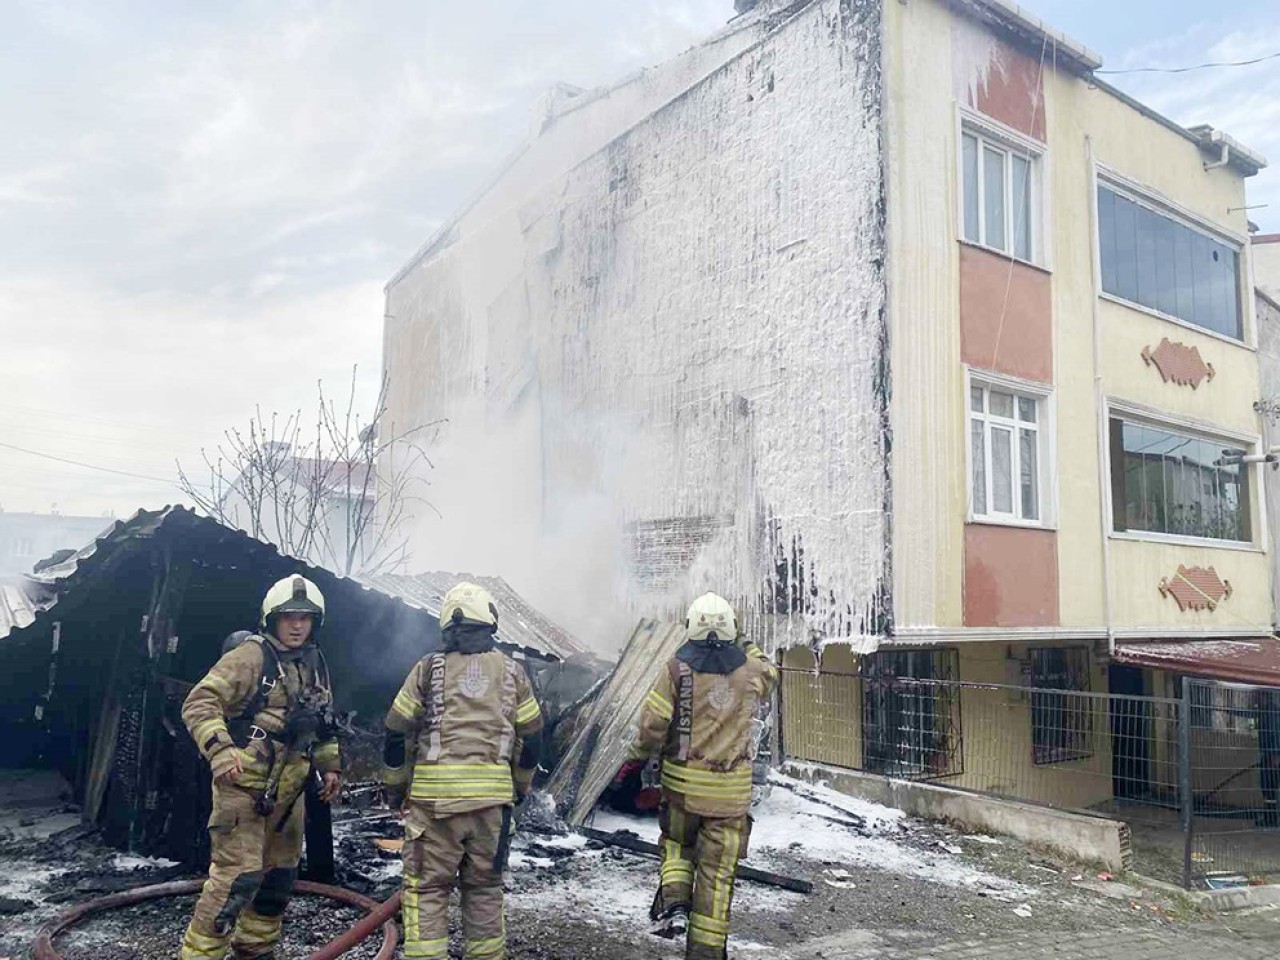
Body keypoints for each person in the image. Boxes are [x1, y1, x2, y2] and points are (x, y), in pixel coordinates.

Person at [179, 575, 342, 960]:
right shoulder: (250, 657)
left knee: (277, 881)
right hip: (244, 790)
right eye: (289, 617)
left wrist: (330, 765)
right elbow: (199, 703)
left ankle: (255, 951)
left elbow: (322, 720)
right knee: (237, 879)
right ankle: (200, 955)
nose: (298, 624)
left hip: (290, 796)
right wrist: (219, 750)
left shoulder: (314, 662)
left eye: (305, 617)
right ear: (272, 619)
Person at [382, 581, 543, 960]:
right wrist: (519, 787)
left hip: (434, 809)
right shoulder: (513, 672)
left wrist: (395, 787)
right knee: (485, 891)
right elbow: (533, 739)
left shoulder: (427, 669)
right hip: (491, 811)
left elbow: (395, 730)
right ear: (489, 623)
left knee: (426, 892)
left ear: (447, 627)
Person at [618, 592, 778, 960]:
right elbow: (769, 668)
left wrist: (635, 762)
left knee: (676, 845)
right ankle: (705, 953)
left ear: (690, 628)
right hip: (729, 799)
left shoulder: (677, 669)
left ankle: (674, 905)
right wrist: (743, 639)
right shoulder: (753, 672)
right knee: (717, 877)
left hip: (682, 790)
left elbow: (653, 725)